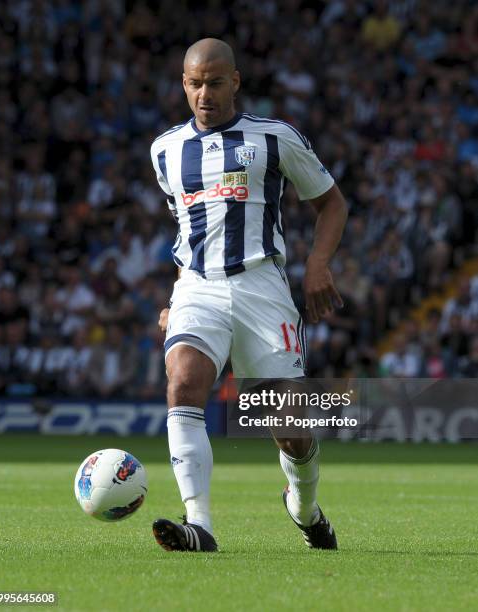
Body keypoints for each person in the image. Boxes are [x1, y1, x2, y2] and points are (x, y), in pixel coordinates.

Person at [150, 38, 347, 552]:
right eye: (195, 84)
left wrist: (318, 263)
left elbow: (332, 204)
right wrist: (175, 295)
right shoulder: (166, 150)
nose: (205, 93)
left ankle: (304, 507)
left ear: (234, 82)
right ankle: (200, 525)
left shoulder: (274, 138)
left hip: (263, 287)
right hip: (199, 287)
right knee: (184, 383)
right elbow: (189, 230)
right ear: (184, 85)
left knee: (291, 428)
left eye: (215, 82)